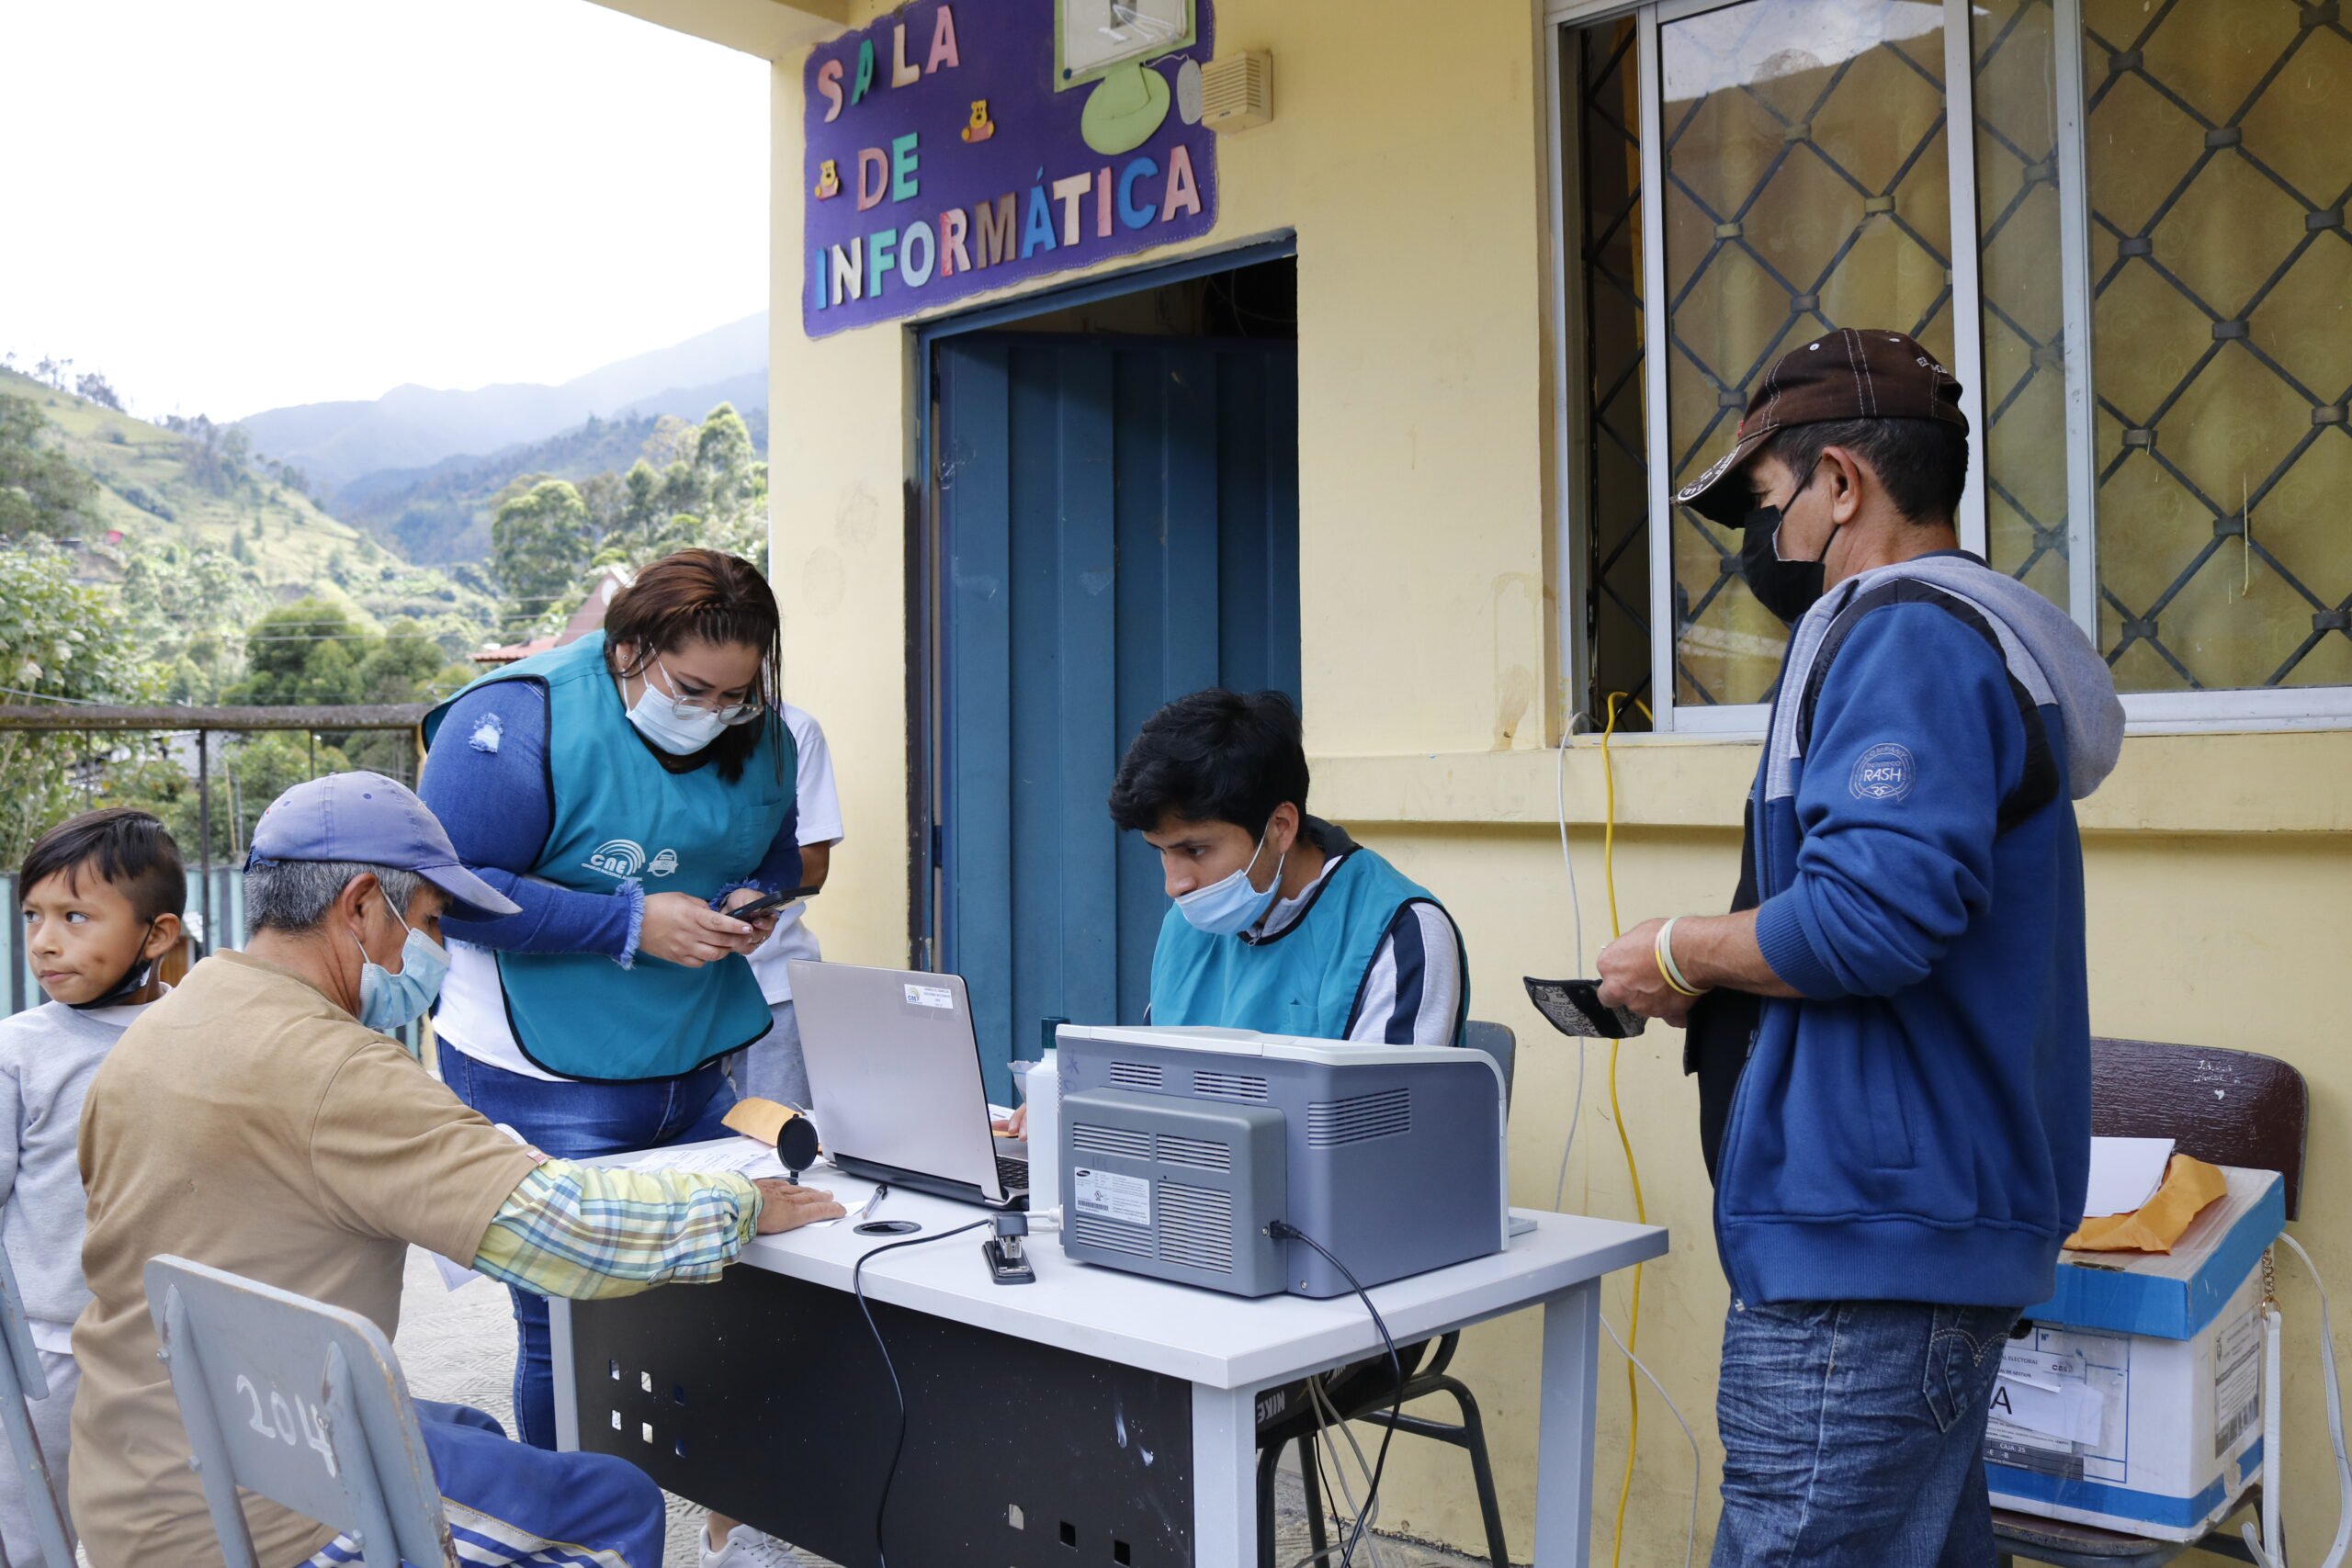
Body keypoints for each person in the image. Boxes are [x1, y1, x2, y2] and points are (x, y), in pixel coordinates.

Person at [1592, 328, 2124, 1568]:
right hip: (1903, 1237)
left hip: (1867, 1254)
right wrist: (1717, 971)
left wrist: (1679, 949)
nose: (1763, 545)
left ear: (1844, 482)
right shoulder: (1948, 641)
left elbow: (1874, 916)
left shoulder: (1902, 636)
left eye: (1770, 503)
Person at [68, 773, 843, 1568]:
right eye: (429, 923)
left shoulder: (164, 1029)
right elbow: (562, 1236)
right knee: (613, 1504)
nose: (424, 953)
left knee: (471, 1434)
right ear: (363, 905)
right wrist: (740, 1204)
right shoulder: (333, 1066)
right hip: (265, 1513)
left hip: (138, 1467)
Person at [417, 552, 797, 1440]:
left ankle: (728, 1510)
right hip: (541, 1074)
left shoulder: (758, 731)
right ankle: (564, 1522)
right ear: (629, 646)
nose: (711, 715)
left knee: (728, 1294)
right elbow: (451, 889)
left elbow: (775, 851)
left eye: (734, 697)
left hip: (697, 1056)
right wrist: (623, 922)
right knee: (567, 1325)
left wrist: (752, 901)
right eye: (691, 687)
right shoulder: (514, 720)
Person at [0, 808, 184, 1561]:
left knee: (153, 1529)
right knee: (35, 1527)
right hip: (45, 1350)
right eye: (34, 916)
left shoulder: (196, 1035)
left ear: (158, 934)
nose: (45, 940)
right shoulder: (21, 1049)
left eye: (75, 917)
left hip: (163, 1347)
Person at [1113, 688, 1467, 1045]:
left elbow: (1388, 1100)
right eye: (1160, 851)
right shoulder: (1185, 926)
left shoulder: (1399, 932)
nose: (1175, 886)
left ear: (1281, 826)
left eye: (1195, 849)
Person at [739, 701, 844, 1110]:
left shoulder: (793, 730)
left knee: (777, 1152)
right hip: (674, 992)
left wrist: (740, 894)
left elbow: (813, 866)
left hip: (774, 987)